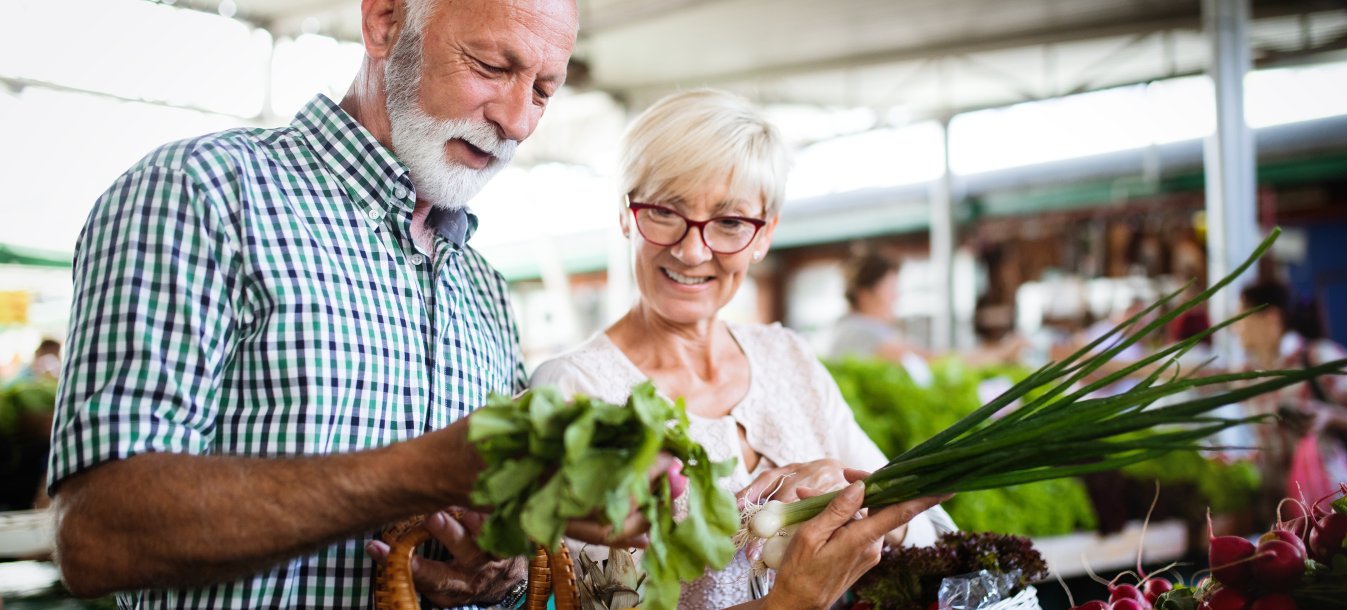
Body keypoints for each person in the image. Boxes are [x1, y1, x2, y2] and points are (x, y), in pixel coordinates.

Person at [47, 0, 637, 607]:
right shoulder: (202, 193)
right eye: (489, 65)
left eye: (543, 90)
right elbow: (97, 533)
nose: (517, 121)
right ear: (384, 22)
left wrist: (499, 565)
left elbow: (493, 532)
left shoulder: (481, 285)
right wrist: (422, 471)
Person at [529, 90, 955, 609]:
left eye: (729, 223)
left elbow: (933, 532)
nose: (692, 250)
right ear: (625, 214)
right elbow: (606, 603)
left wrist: (851, 502)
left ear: (764, 235)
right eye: (665, 211)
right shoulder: (575, 390)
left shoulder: (787, 359)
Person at [1234, 281, 1347, 514]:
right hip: (1280, 513)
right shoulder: (1249, 374)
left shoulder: (1318, 358)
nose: (1235, 328)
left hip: (1334, 511)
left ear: (1270, 318)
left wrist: (1330, 416)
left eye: (1241, 318)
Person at [828, 249, 1024, 384]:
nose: (897, 297)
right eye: (890, 290)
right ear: (864, 295)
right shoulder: (856, 332)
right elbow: (932, 361)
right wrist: (1000, 354)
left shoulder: (867, 330)